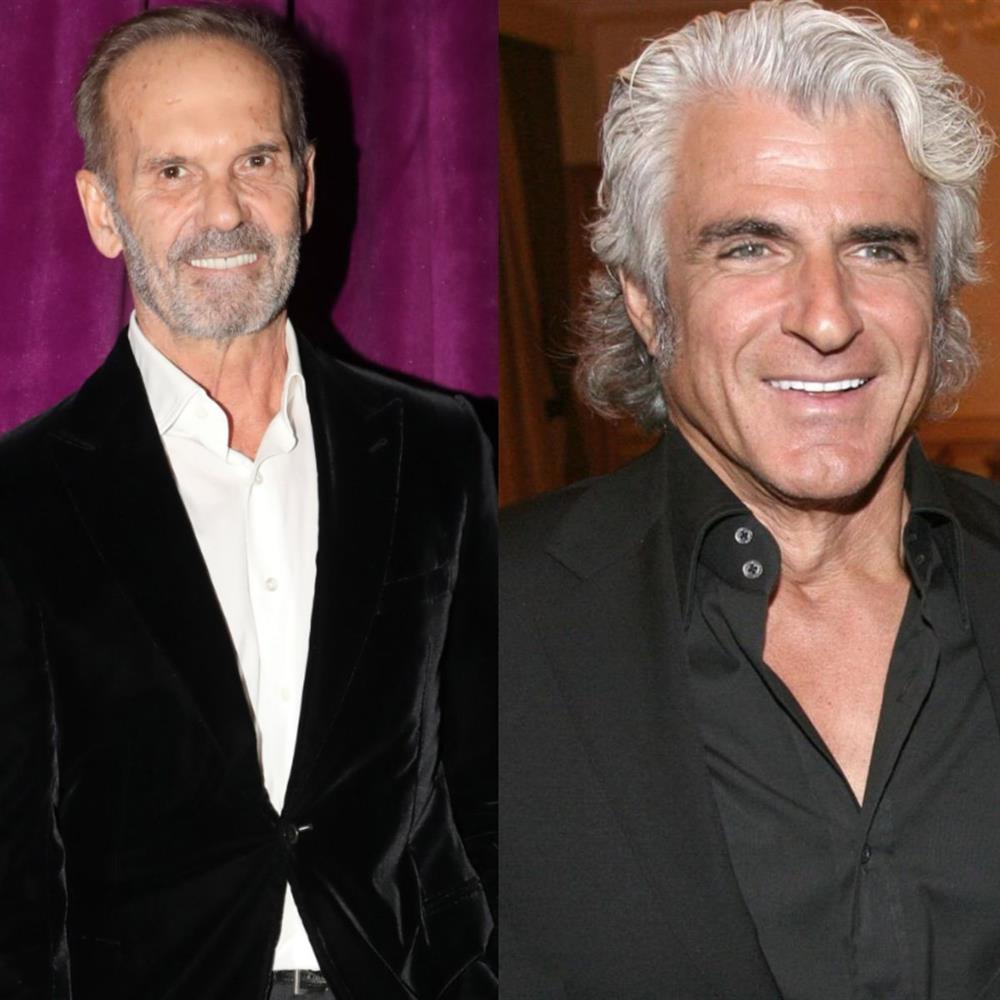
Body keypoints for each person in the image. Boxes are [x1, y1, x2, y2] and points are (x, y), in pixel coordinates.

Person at [501, 1, 1000, 996]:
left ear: (938, 294)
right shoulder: (471, 615)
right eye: (749, 247)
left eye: (878, 248)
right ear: (649, 303)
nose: (827, 316)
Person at [0, 7, 496, 999]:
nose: (224, 212)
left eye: (256, 161)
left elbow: (486, 779)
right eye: (172, 171)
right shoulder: (23, 495)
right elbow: (13, 871)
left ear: (306, 184)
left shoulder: (441, 448)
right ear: (103, 211)